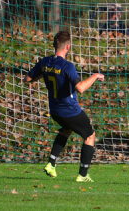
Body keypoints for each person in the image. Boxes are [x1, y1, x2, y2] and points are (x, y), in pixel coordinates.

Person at [23, 31, 105, 182]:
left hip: (54, 110)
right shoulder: (67, 66)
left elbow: (27, 78)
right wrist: (94, 76)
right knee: (89, 135)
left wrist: (45, 73)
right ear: (68, 46)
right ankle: (83, 175)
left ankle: (51, 163)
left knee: (66, 130)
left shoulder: (45, 62)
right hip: (69, 110)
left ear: (54, 45)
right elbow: (80, 88)